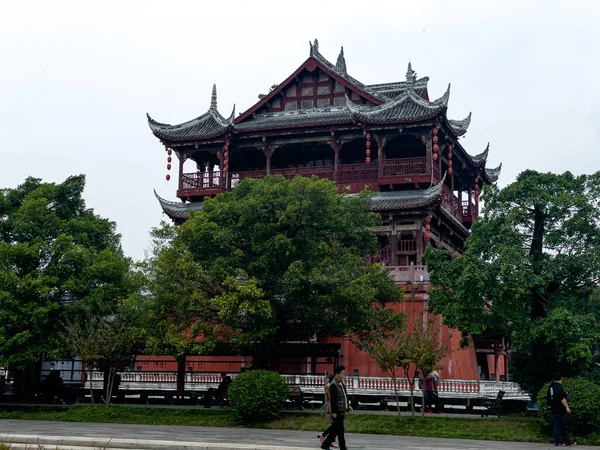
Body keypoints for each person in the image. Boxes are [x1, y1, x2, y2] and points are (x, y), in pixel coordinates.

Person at [321, 365, 352, 450]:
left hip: (342, 410)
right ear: (337, 374)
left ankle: (325, 445)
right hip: (337, 411)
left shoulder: (341, 383)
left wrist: (348, 405)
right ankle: (342, 447)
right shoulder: (334, 385)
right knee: (339, 430)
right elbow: (333, 400)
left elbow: (345, 396)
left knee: (335, 430)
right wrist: (334, 412)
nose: (343, 375)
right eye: (342, 373)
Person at [548, 372, 576, 447]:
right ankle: (557, 441)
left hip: (554, 407)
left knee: (563, 424)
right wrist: (567, 407)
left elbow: (554, 396)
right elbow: (561, 398)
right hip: (559, 408)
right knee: (558, 425)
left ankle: (566, 440)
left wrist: (564, 393)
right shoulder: (558, 387)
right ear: (560, 378)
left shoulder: (551, 387)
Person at [317, 374, 339, 448]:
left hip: (335, 408)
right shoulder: (329, 387)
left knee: (335, 425)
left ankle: (323, 436)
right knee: (335, 425)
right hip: (331, 408)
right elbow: (331, 397)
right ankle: (331, 440)